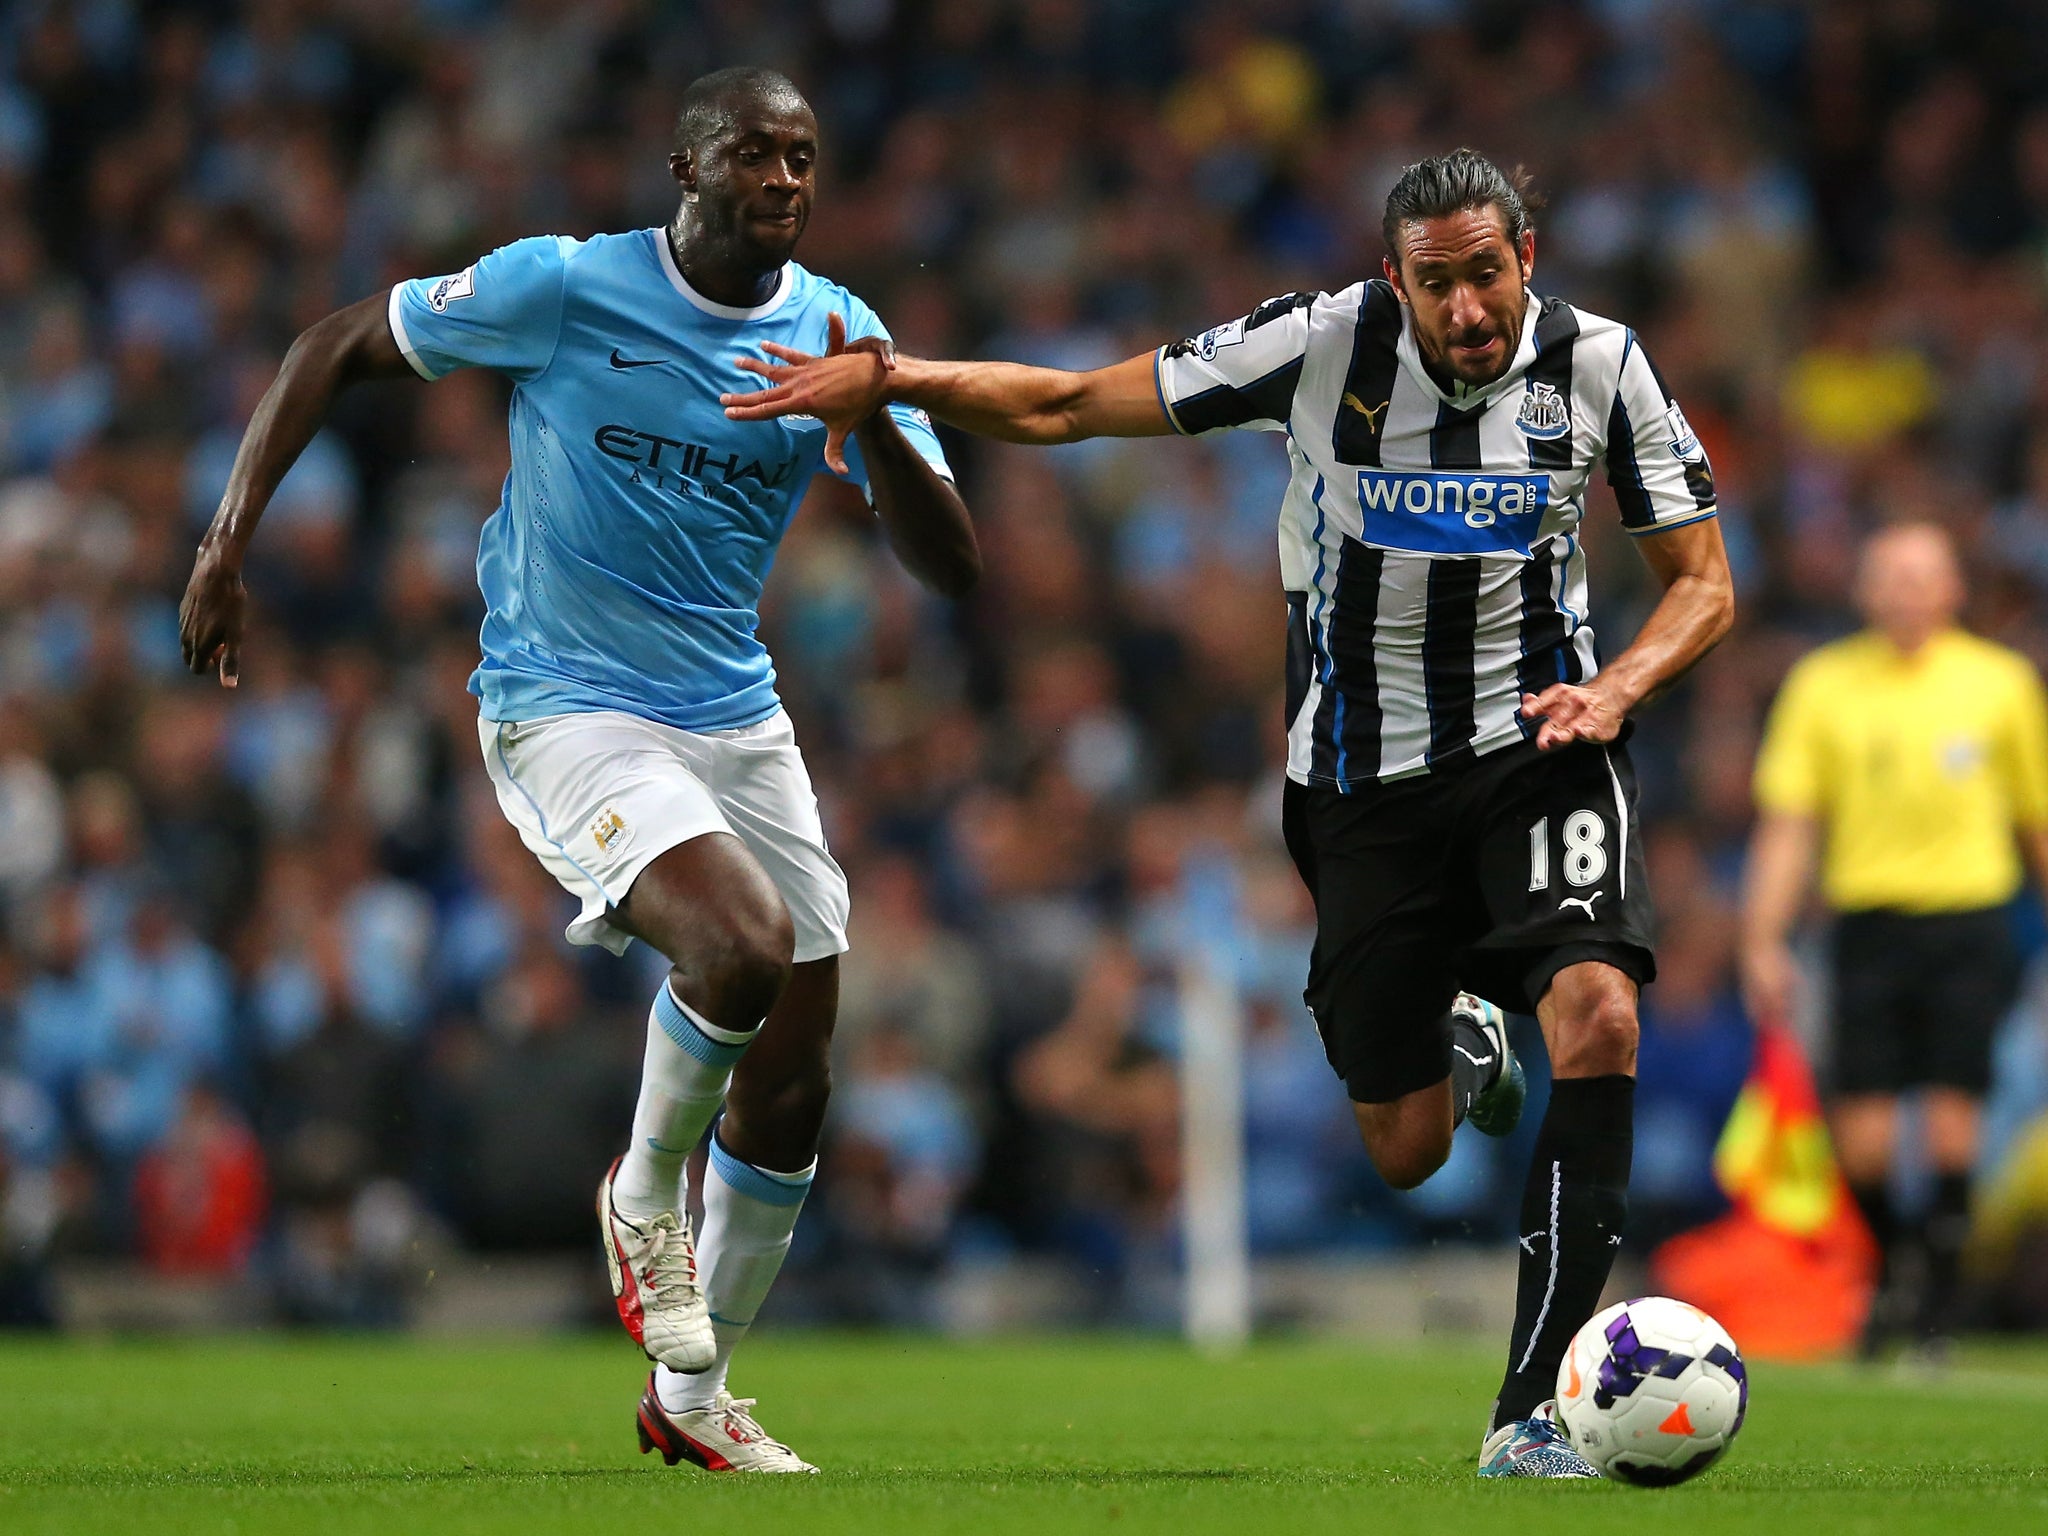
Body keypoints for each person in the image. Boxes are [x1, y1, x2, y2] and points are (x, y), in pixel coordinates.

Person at [725, 149, 1735, 1477]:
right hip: (1363, 789)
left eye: (1488, 274)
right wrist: (896, 378)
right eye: (1438, 284)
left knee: (1601, 1014)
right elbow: (1074, 406)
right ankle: (1457, 1019)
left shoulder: (1602, 365)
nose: (1469, 310)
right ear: (1397, 282)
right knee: (1406, 1149)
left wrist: (1618, 687)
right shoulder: (1320, 347)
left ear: (1525, 260)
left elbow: (1702, 582)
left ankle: (1531, 1409)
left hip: (1548, 746)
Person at [178, 66, 978, 1473]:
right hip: (562, 703)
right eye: (755, 155)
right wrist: (226, 540)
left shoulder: (843, 332)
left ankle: (694, 1398)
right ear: (687, 162)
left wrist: (876, 409)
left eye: (804, 158)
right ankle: (645, 1190)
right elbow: (336, 340)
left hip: (734, 713)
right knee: (739, 945)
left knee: (793, 1077)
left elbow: (953, 564)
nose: (785, 181)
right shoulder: (563, 286)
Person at [1743, 522, 2048, 1355]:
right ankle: (1891, 1268)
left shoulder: (2001, 685)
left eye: (1923, 576)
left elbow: (2036, 819)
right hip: (1868, 924)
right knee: (1866, 1137)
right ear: (1864, 590)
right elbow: (1790, 824)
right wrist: (1762, 939)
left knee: (1954, 1125)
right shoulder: (1825, 685)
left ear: (1953, 589)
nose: (1908, 592)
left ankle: (1934, 1311)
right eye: (1891, 576)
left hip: (1969, 921)